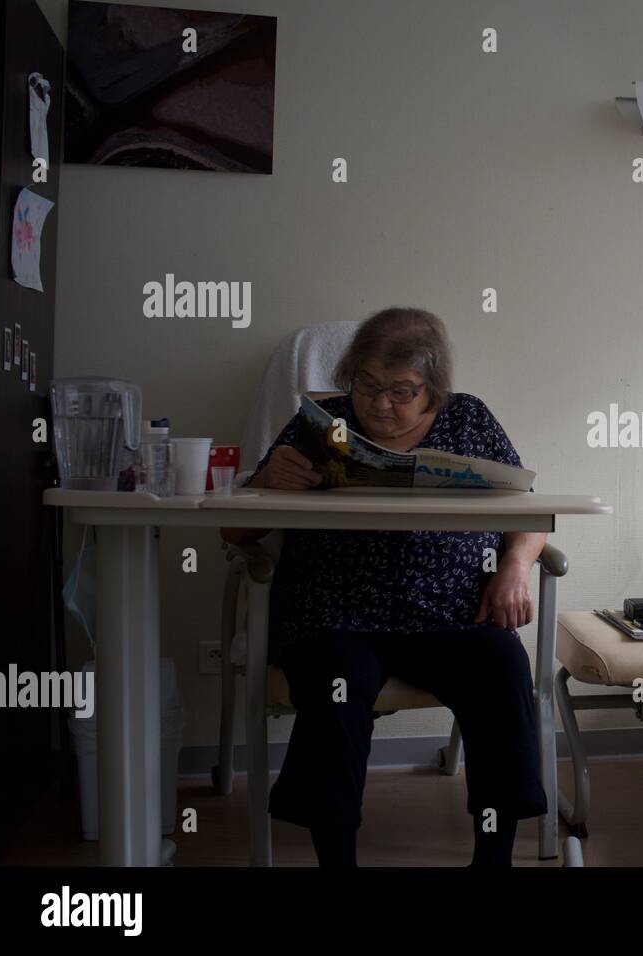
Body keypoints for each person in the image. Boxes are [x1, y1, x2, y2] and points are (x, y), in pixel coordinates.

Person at [221, 307, 547, 866]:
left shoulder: (468, 420)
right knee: (336, 684)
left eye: (401, 391)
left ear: (433, 388)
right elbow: (234, 530)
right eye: (368, 385)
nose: (378, 403)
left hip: (449, 617)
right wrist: (268, 481)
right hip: (336, 617)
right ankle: (338, 861)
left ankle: (494, 858)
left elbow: (530, 514)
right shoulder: (322, 422)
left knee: (503, 667)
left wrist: (516, 564)